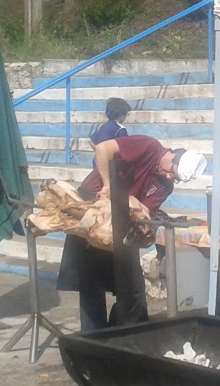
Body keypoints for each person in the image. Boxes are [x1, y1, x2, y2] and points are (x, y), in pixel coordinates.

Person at [57, 136, 206, 331]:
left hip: (122, 221)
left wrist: (132, 208)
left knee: (133, 285)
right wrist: (108, 185)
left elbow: (144, 211)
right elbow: (102, 149)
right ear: (172, 156)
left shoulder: (165, 186)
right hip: (92, 206)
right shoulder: (148, 146)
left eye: (175, 177)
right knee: (90, 281)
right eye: (171, 171)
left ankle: (128, 330)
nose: (170, 177)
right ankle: (92, 334)